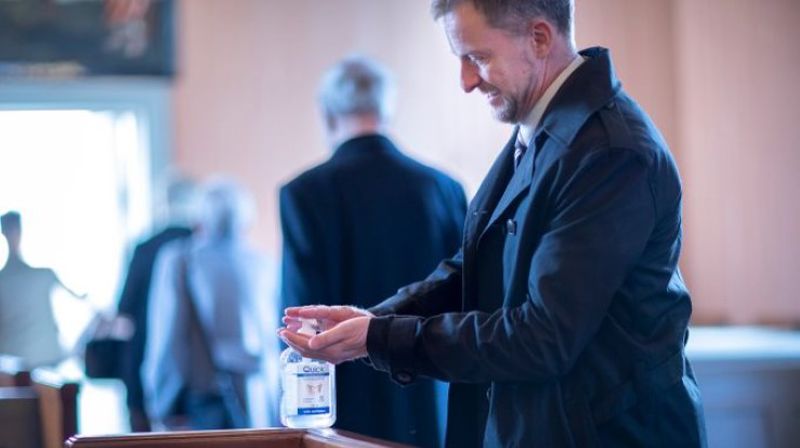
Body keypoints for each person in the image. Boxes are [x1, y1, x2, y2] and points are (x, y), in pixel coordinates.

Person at [280, 1, 708, 446]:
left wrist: (381, 336)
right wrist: (373, 321)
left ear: (540, 38)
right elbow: (474, 270)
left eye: (478, 58)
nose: (466, 82)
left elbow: (544, 337)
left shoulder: (609, 153)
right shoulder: (541, 131)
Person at [279, 55, 467, 447]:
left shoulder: (304, 193)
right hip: (429, 389)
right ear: (387, 108)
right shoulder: (443, 188)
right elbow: (464, 298)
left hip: (343, 401)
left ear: (328, 113)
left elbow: (301, 313)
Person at [143, 178, 266, 430]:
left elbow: (168, 337)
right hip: (258, 403)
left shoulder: (180, 259)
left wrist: (160, 402)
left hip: (199, 404)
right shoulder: (263, 263)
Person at [115, 176, 197, 432]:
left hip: (145, 356)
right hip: (195, 366)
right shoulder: (201, 247)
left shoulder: (144, 248)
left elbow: (124, 308)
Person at [0, 211, 85, 368]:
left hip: (46, 365)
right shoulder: (43, 276)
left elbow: (82, 301)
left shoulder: (45, 275)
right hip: (15, 369)